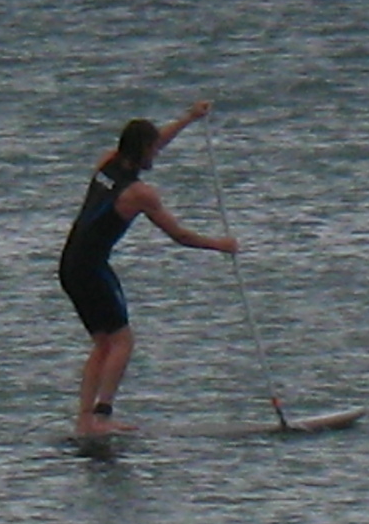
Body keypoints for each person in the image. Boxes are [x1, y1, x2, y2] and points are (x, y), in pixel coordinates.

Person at [59, 100, 237, 438]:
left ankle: (85, 421)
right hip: (91, 269)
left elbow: (154, 142)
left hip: (69, 264)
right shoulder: (140, 194)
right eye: (152, 150)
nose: (157, 154)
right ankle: (102, 415)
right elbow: (179, 236)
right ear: (141, 151)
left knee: (103, 343)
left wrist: (188, 119)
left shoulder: (106, 161)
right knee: (122, 342)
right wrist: (220, 244)